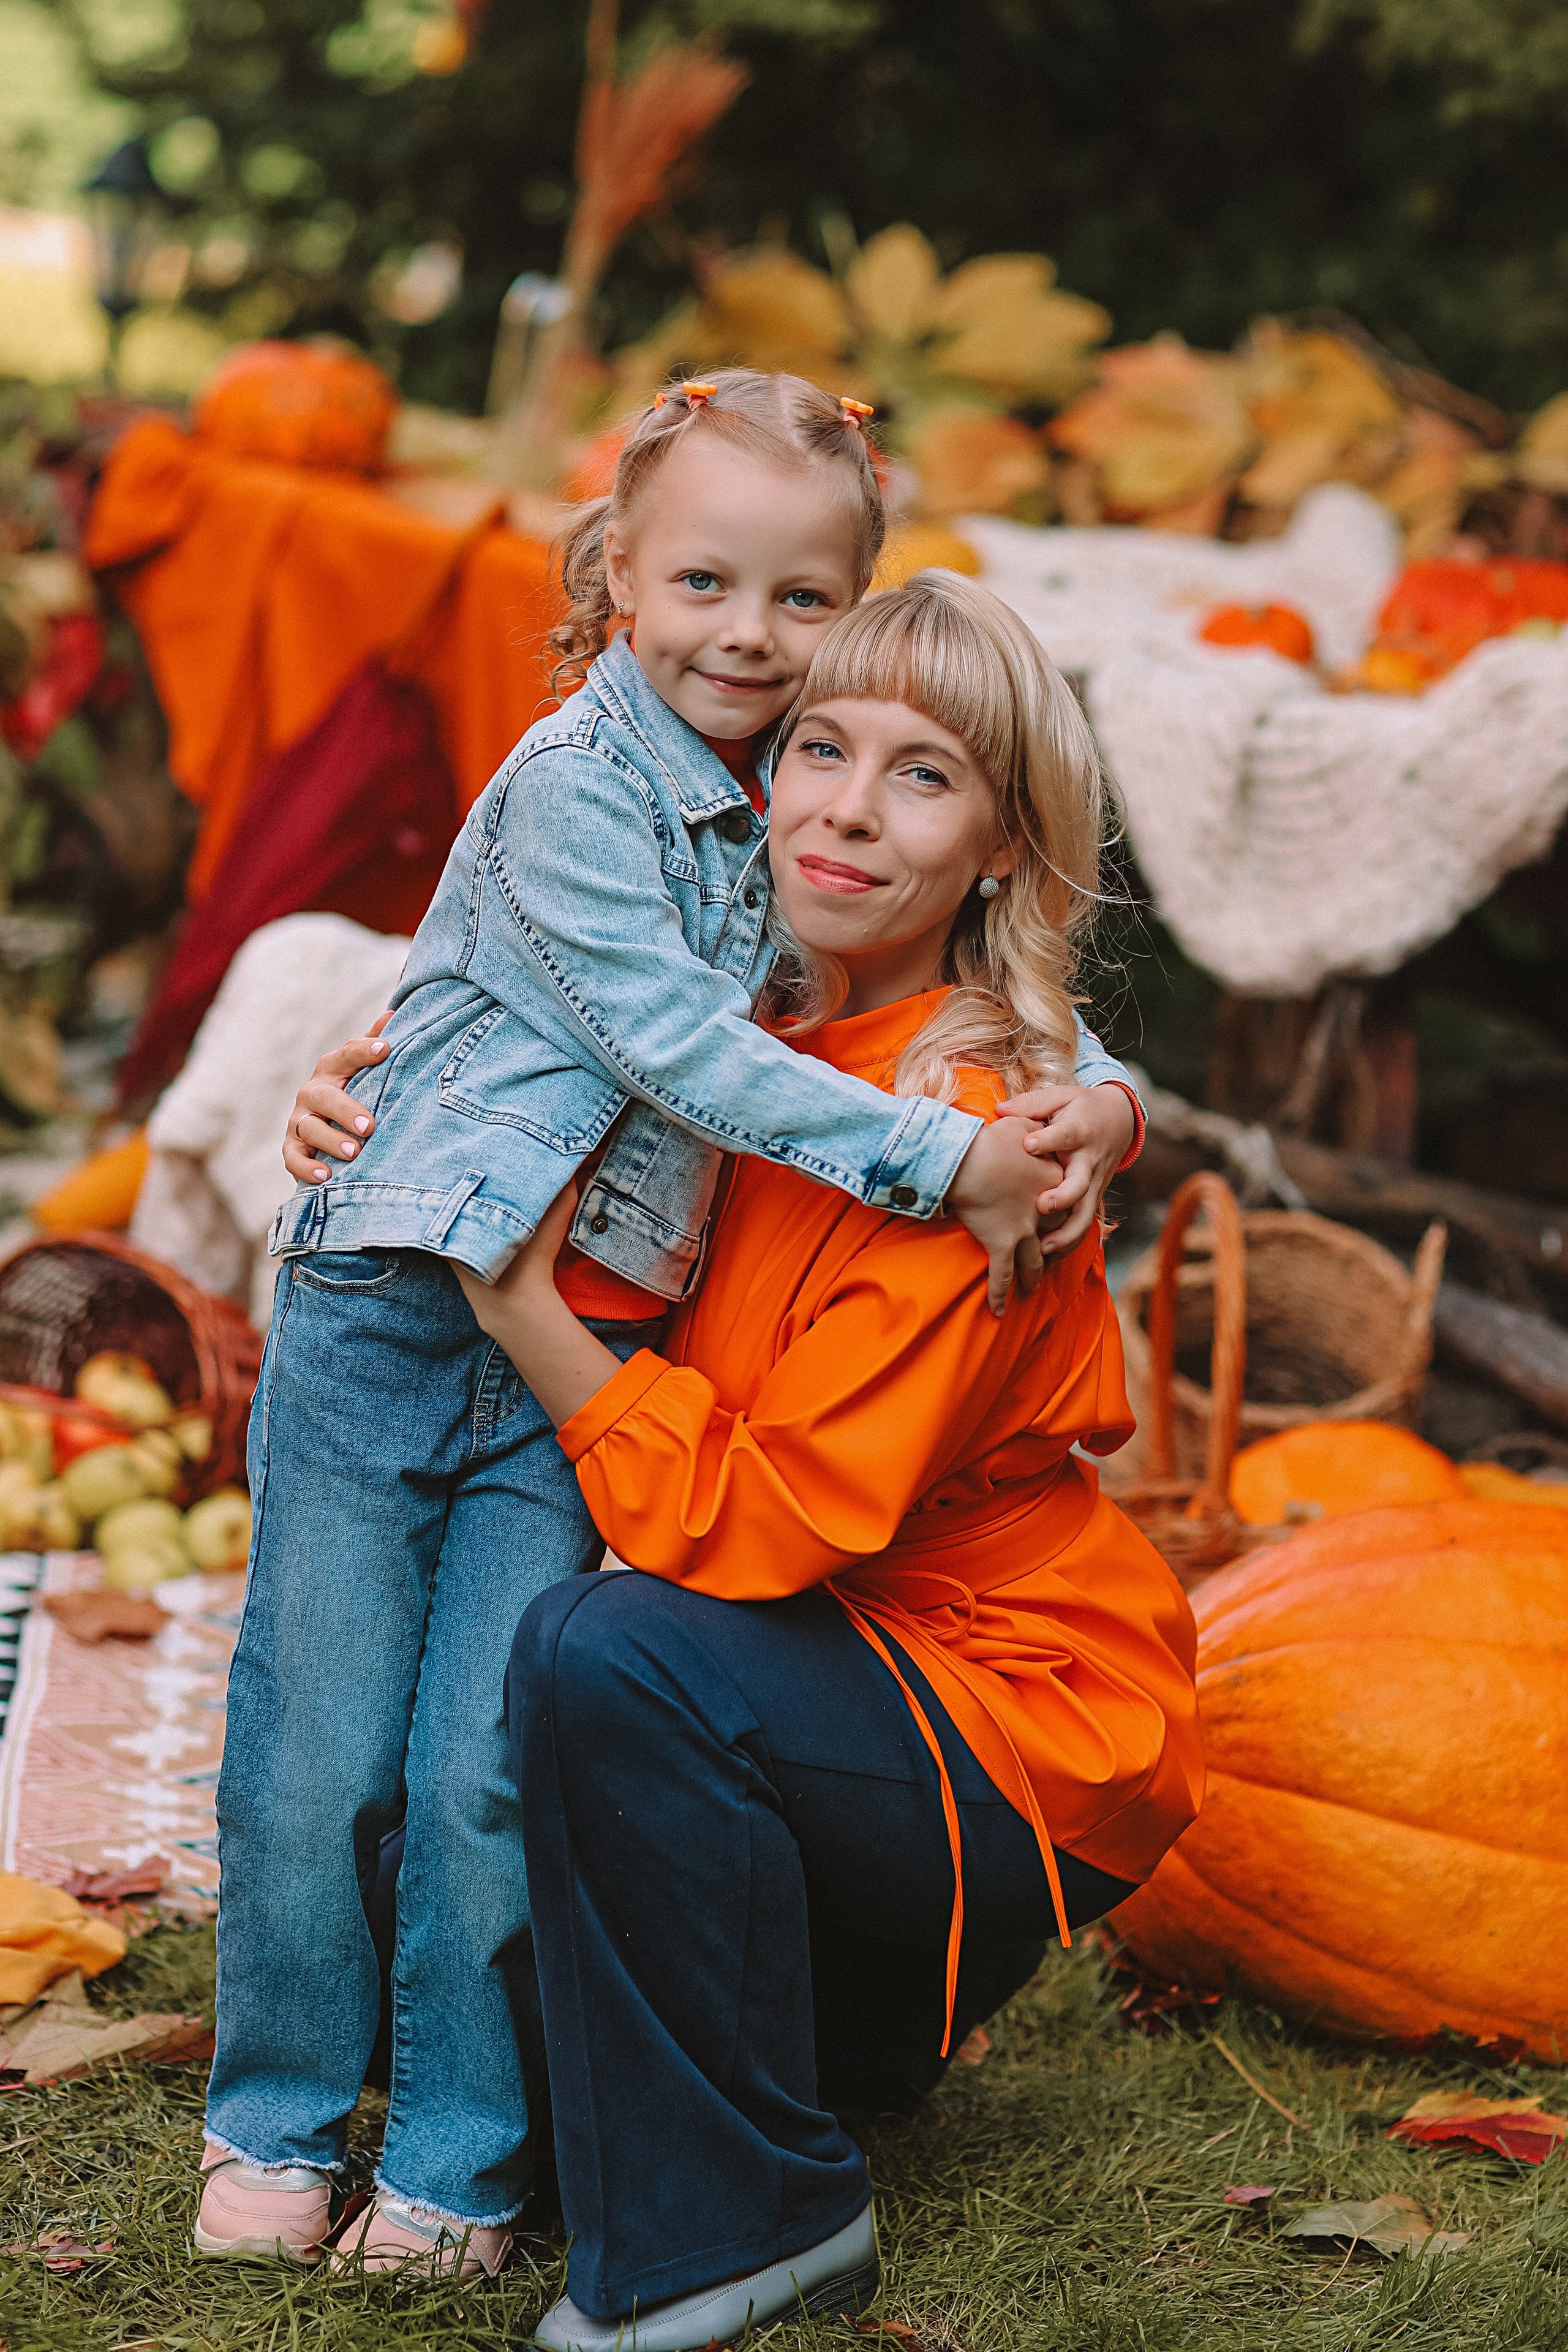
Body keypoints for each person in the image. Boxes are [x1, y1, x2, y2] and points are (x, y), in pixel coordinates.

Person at [195, 373, 1145, 2274]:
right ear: (614, 573)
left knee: (484, 1756)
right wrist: (933, 1163)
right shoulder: (576, 785)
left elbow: (955, 966)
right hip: (397, 1319)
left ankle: (457, 2161)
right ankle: (279, 2120)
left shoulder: (777, 820)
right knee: (320, 1739)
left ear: (847, 609)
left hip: (586, 1368)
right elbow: (668, 1042)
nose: (751, 635)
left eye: (803, 601)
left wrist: (1102, 1098)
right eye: (703, 581)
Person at [459, 572, 1204, 2350]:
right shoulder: (751, 1046)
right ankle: (847, 2043)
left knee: (602, 1654)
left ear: (1007, 848)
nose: (848, 809)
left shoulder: (982, 1143)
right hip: (823, 1680)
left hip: (1000, 1717)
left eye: (925, 775)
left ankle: (743, 2229)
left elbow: (769, 1524)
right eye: (819, 746)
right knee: (465, 1873)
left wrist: (520, 1312)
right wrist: (377, 1103)